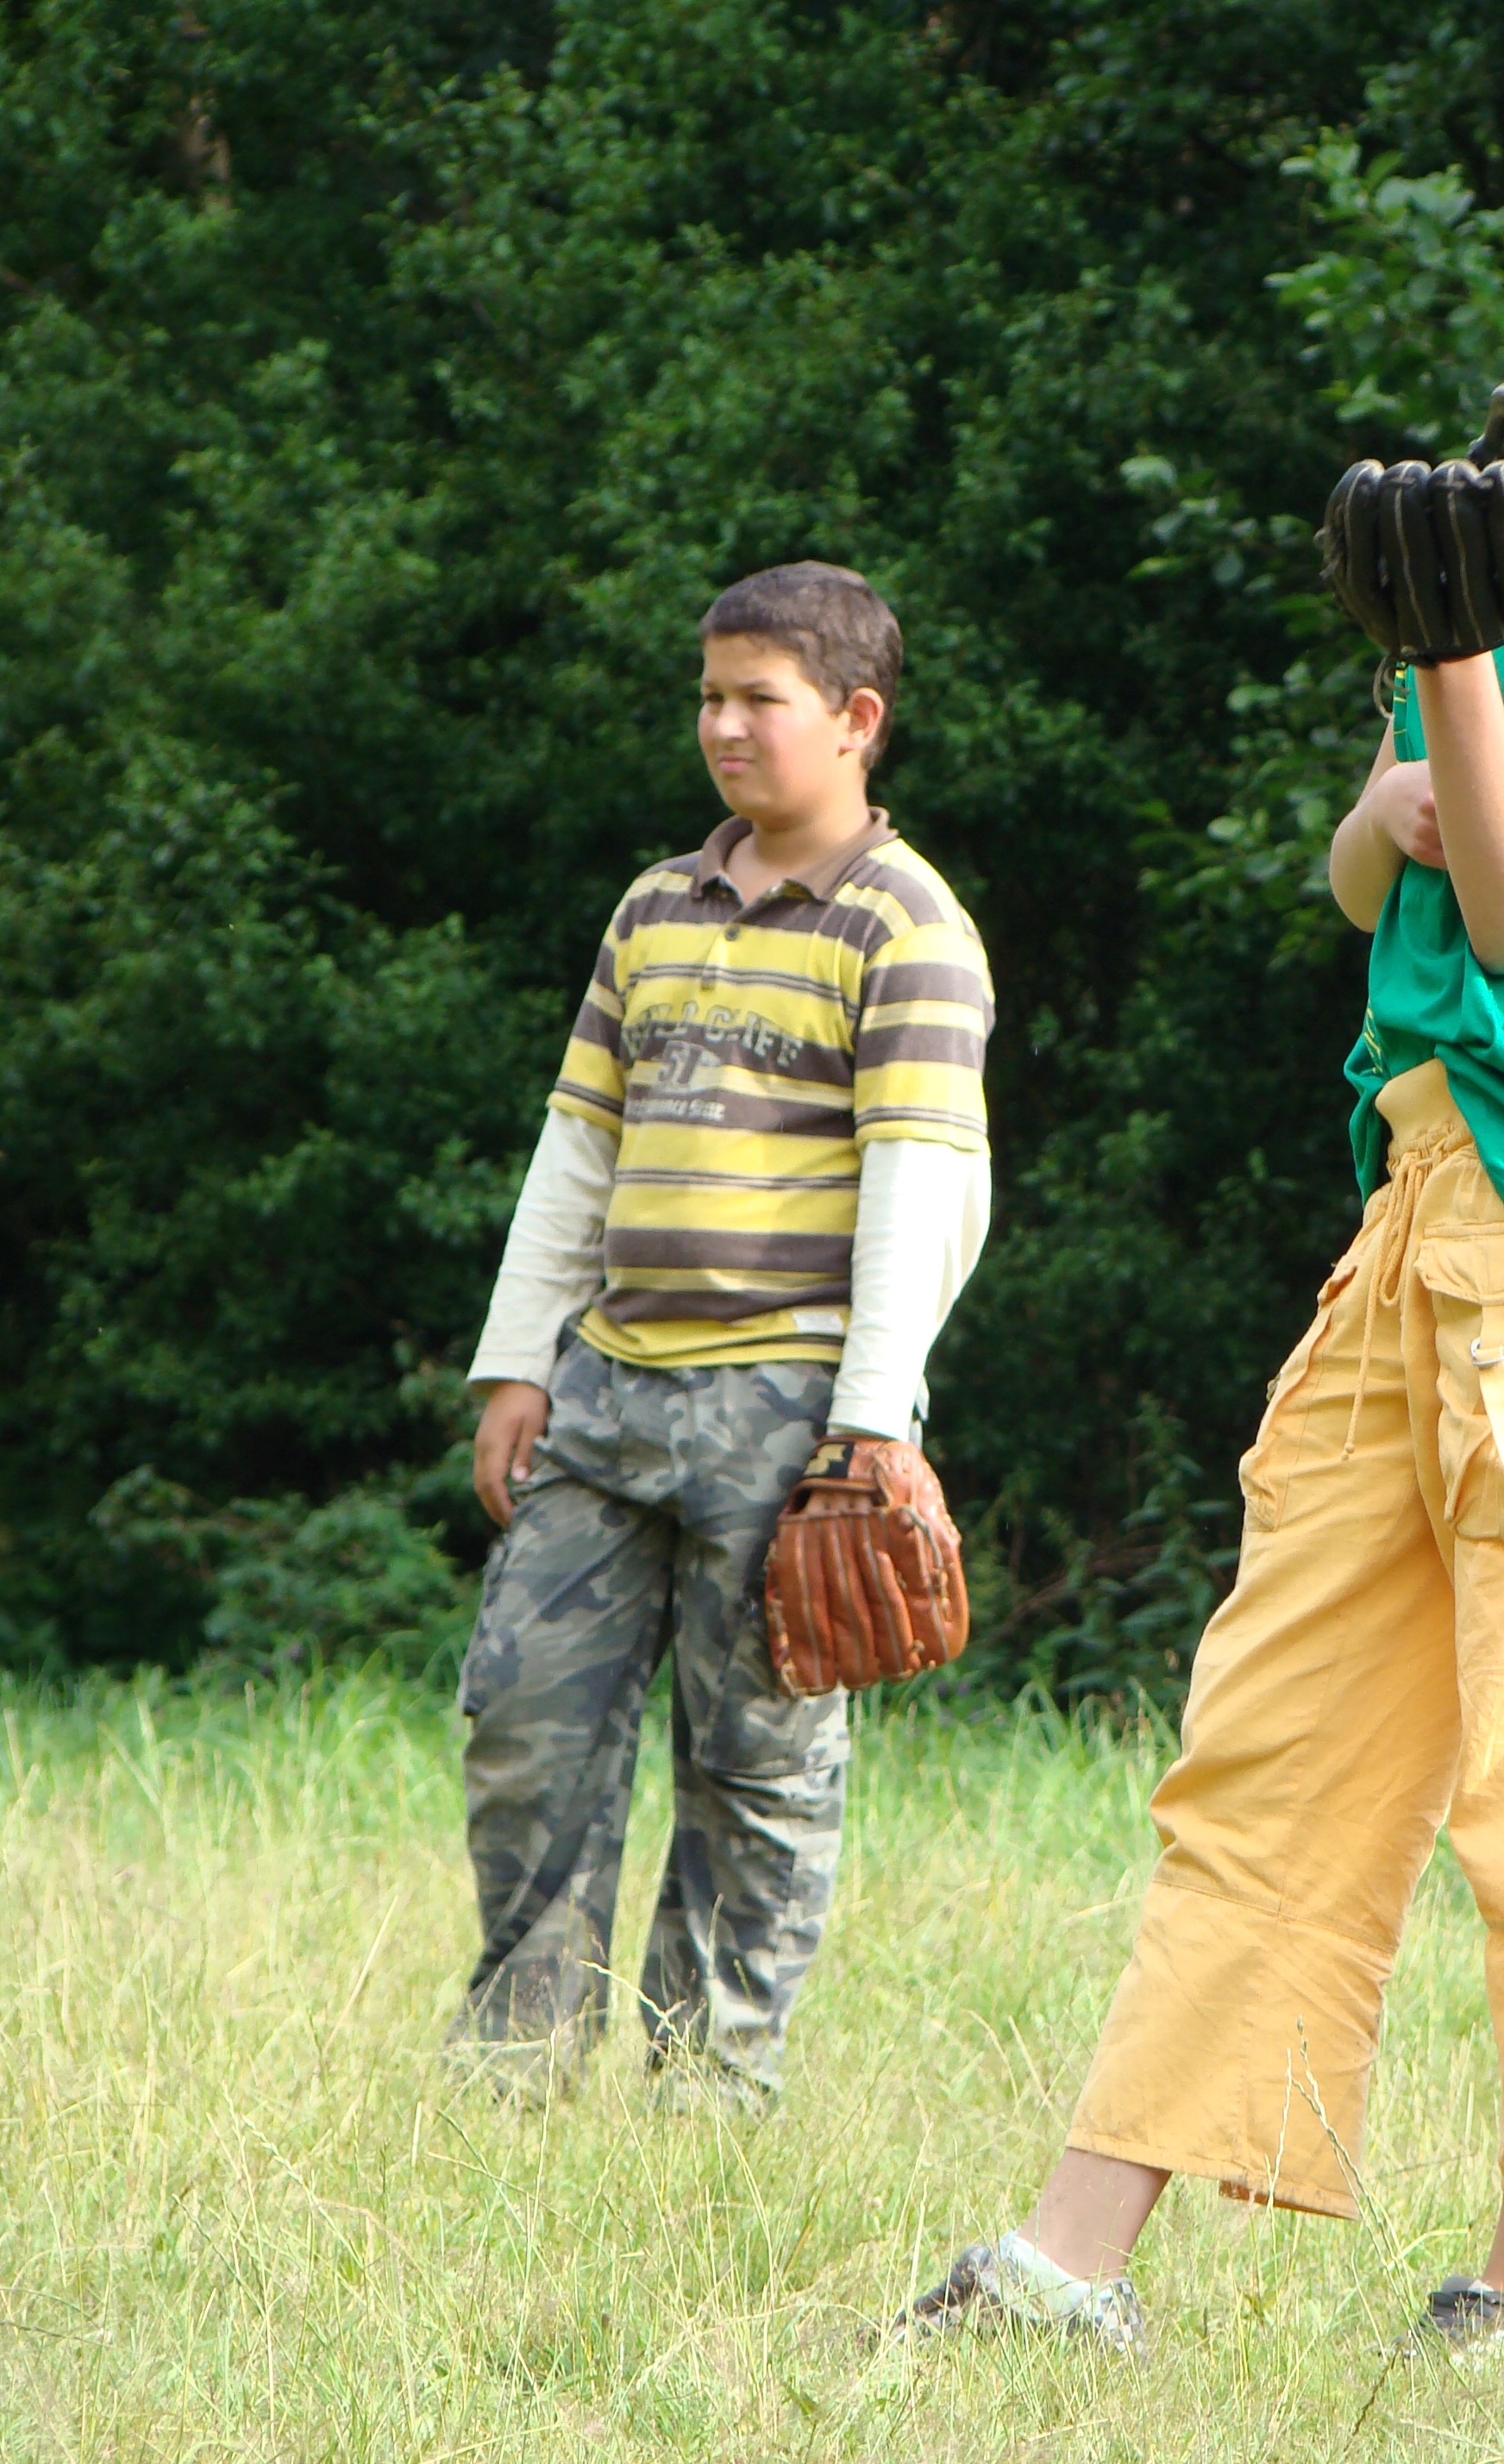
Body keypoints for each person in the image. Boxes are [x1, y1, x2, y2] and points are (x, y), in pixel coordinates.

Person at [899, 61, 1504, 2362]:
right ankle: (1070, 2266)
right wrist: (1422, 749)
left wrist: (1446, 673)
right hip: (1421, 1183)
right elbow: (1363, 867)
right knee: (1278, 1736)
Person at [452, 561, 994, 2111]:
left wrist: (870, 1425)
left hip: (789, 1405)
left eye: (762, 698)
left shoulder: (909, 926)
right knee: (525, 1727)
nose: (726, 727)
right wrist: (518, 1361)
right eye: (710, 696)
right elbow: (578, 1149)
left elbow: (922, 1191)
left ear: (858, 719)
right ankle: (517, 2070)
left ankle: (707, 2092)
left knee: (755, 1767)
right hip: (609, 1386)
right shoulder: (652, 908)